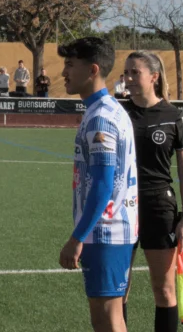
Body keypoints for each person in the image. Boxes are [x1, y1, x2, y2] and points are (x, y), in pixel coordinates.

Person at [58, 37, 137, 332]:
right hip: (111, 229)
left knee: (106, 319)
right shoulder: (107, 109)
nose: (63, 72)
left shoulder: (101, 119)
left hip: (104, 232)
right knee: (109, 318)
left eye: (70, 65)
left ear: (92, 70)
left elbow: (103, 185)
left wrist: (77, 238)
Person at [122, 51, 183, 332]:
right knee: (119, 288)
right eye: (125, 72)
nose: (127, 78)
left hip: (158, 208)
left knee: (163, 290)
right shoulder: (119, 112)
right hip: (122, 207)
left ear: (154, 77)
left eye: (134, 72)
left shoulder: (174, 116)